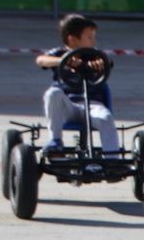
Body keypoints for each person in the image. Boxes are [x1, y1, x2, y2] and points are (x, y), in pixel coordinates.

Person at [36, 13, 119, 155]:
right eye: (90, 37)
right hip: (68, 106)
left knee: (106, 119)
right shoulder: (59, 53)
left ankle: (112, 158)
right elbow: (40, 60)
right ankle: (56, 140)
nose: (94, 41)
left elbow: (107, 62)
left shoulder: (95, 55)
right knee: (52, 93)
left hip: (93, 106)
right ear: (73, 39)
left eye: (94, 37)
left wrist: (99, 64)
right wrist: (62, 61)